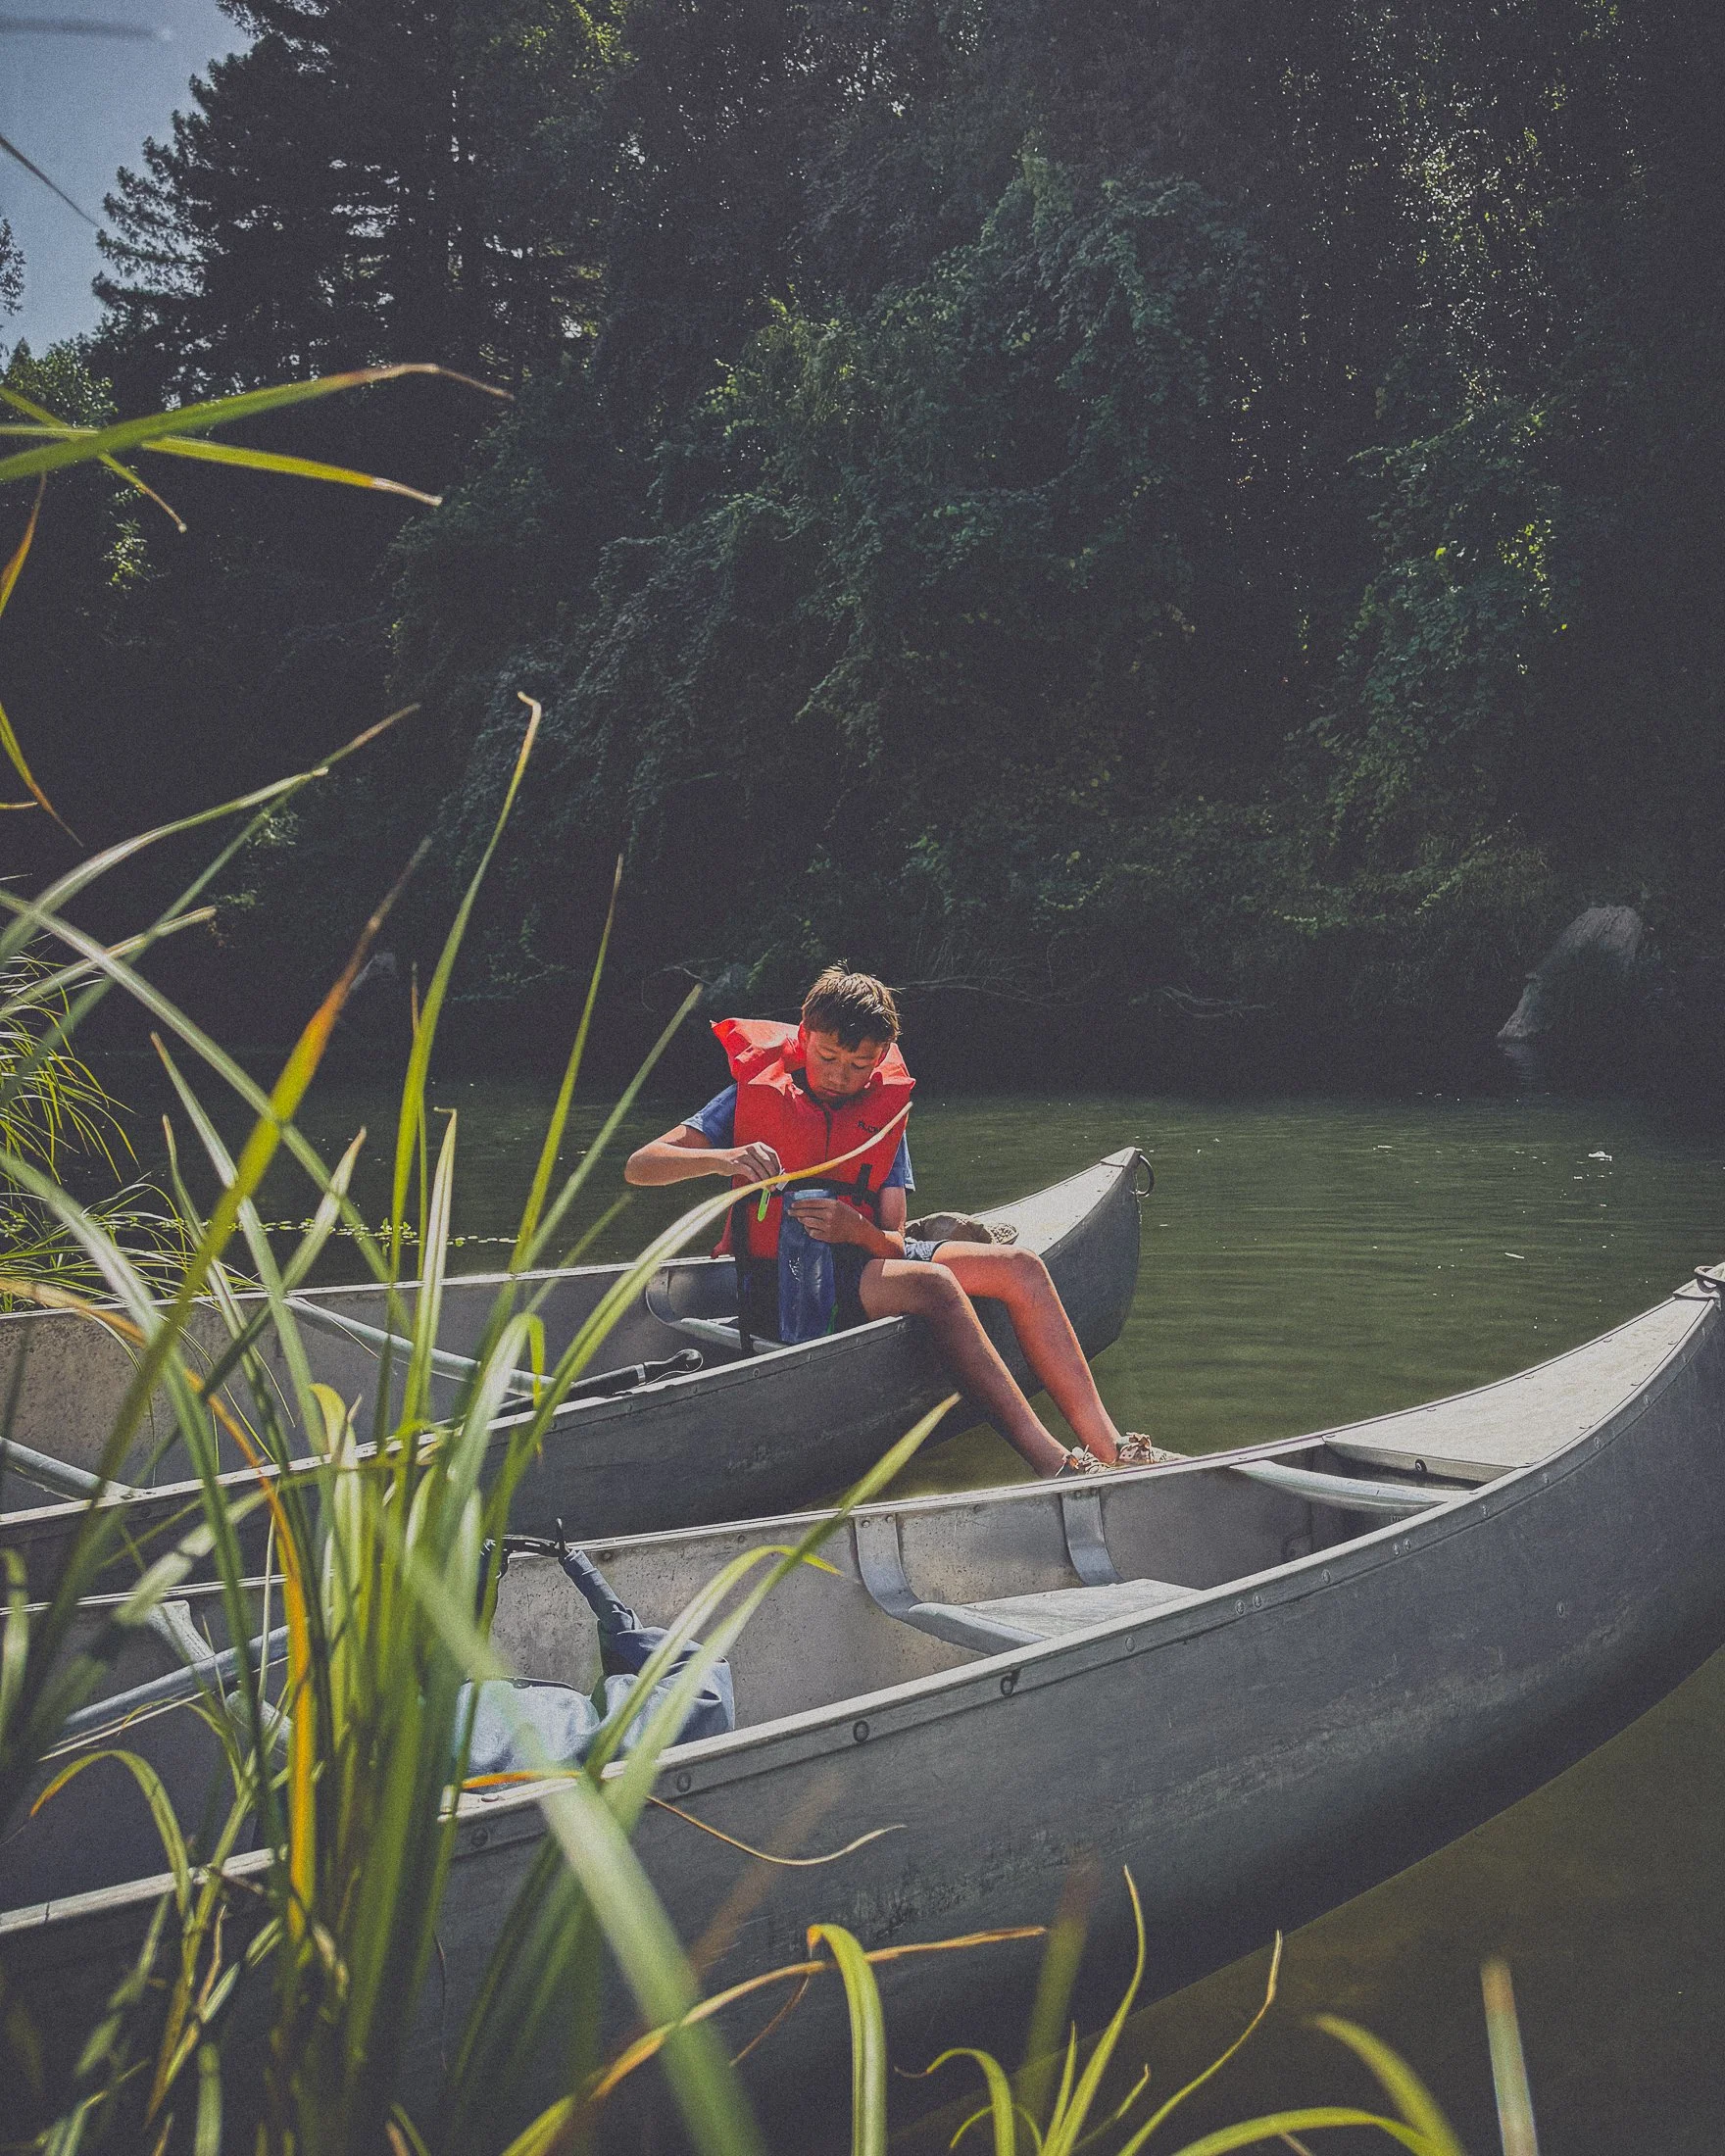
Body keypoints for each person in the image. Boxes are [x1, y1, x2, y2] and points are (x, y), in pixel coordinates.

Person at [623, 966, 1168, 1479]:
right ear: (804, 1035)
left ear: (880, 1056)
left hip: (865, 1256)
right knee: (935, 1284)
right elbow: (640, 1166)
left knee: (1021, 1267)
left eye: (859, 1065)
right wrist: (724, 1158)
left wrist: (854, 1231)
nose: (840, 1076)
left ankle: (1113, 1447)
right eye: (827, 1056)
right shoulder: (751, 1095)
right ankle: (1054, 1463)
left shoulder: (884, 1113)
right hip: (784, 1281)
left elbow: (891, 1239)